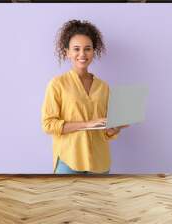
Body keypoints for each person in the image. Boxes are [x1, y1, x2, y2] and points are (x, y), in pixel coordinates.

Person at [41, 20, 128, 174]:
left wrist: (115, 128)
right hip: (69, 161)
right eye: (76, 49)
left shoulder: (103, 87)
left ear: (94, 51)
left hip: (100, 162)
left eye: (87, 49)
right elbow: (48, 125)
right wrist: (88, 124)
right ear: (67, 52)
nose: (82, 54)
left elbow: (104, 130)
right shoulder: (57, 84)